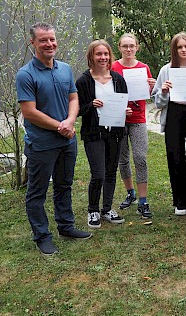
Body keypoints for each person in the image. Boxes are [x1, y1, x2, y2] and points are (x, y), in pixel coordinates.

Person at [17, 22, 91, 255]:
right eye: (43, 40)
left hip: (67, 141)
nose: (49, 44)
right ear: (33, 43)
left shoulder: (65, 69)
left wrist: (69, 122)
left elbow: (73, 98)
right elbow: (29, 111)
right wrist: (61, 126)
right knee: (37, 192)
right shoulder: (25, 74)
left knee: (64, 185)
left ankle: (66, 227)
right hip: (42, 143)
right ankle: (42, 236)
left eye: (52, 39)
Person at [76, 40, 130, 228]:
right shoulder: (83, 81)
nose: (103, 58)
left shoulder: (117, 79)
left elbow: (123, 103)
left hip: (114, 133)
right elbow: (77, 110)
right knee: (98, 174)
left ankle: (107, 208)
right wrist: (92, 105)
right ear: (91, 56)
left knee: (110, 172)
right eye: (99, 54)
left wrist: (126, 111)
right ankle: (93, 210)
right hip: (93, 133)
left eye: (106, 54)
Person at [152, 32, 186, 216]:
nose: (183, 50)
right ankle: (179, 201)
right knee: (175, 155)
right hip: (173, 113)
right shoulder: (166, 69)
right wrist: (164, 92)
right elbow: (157, 102)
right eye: (179, 47)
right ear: (174, 50)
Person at [112, 33, 155, 219]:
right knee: (122, 159)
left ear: (137, 47)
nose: (128, 49)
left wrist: (152, 86)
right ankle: (131, 193)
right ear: (119, 48)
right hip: (118, 120)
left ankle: (143, 201)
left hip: (138, 119)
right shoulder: (113, 67)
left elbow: (149, 93)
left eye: (132, 46)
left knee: (140, 157)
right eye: (125, 46)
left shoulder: (143, 68)